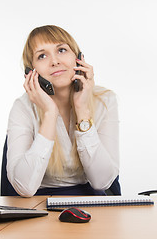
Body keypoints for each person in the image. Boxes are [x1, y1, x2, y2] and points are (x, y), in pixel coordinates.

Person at [6, 25, 119, 197]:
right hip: (39, 207)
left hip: (92, 207)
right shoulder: (23, 107)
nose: (55, 61)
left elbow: (102, 182)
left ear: (79, 58)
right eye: (42, 55)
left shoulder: (105, 100)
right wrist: (50, 113)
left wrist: (82, 109)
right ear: (31, 71)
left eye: (62, 50)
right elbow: (24, 188)